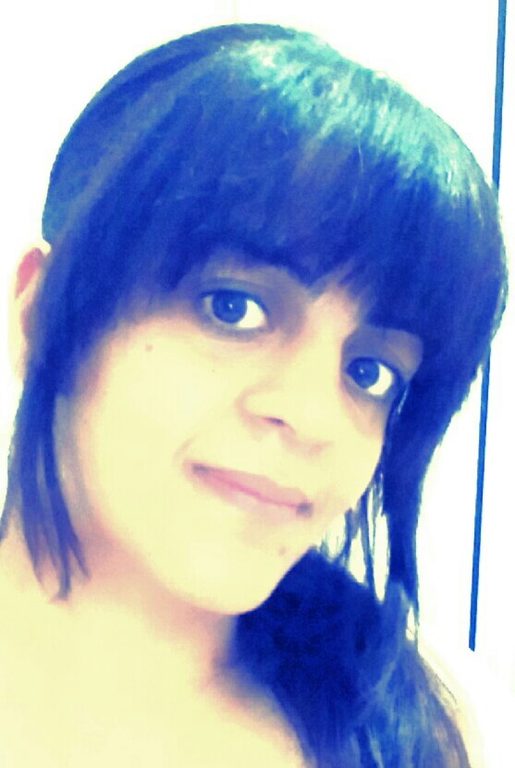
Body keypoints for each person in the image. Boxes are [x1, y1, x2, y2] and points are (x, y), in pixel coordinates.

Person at [0, 22, 507, 768]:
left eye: (369, 372)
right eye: (232, 308)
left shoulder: (439, 730)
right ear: (42, 314)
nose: (313, 417)